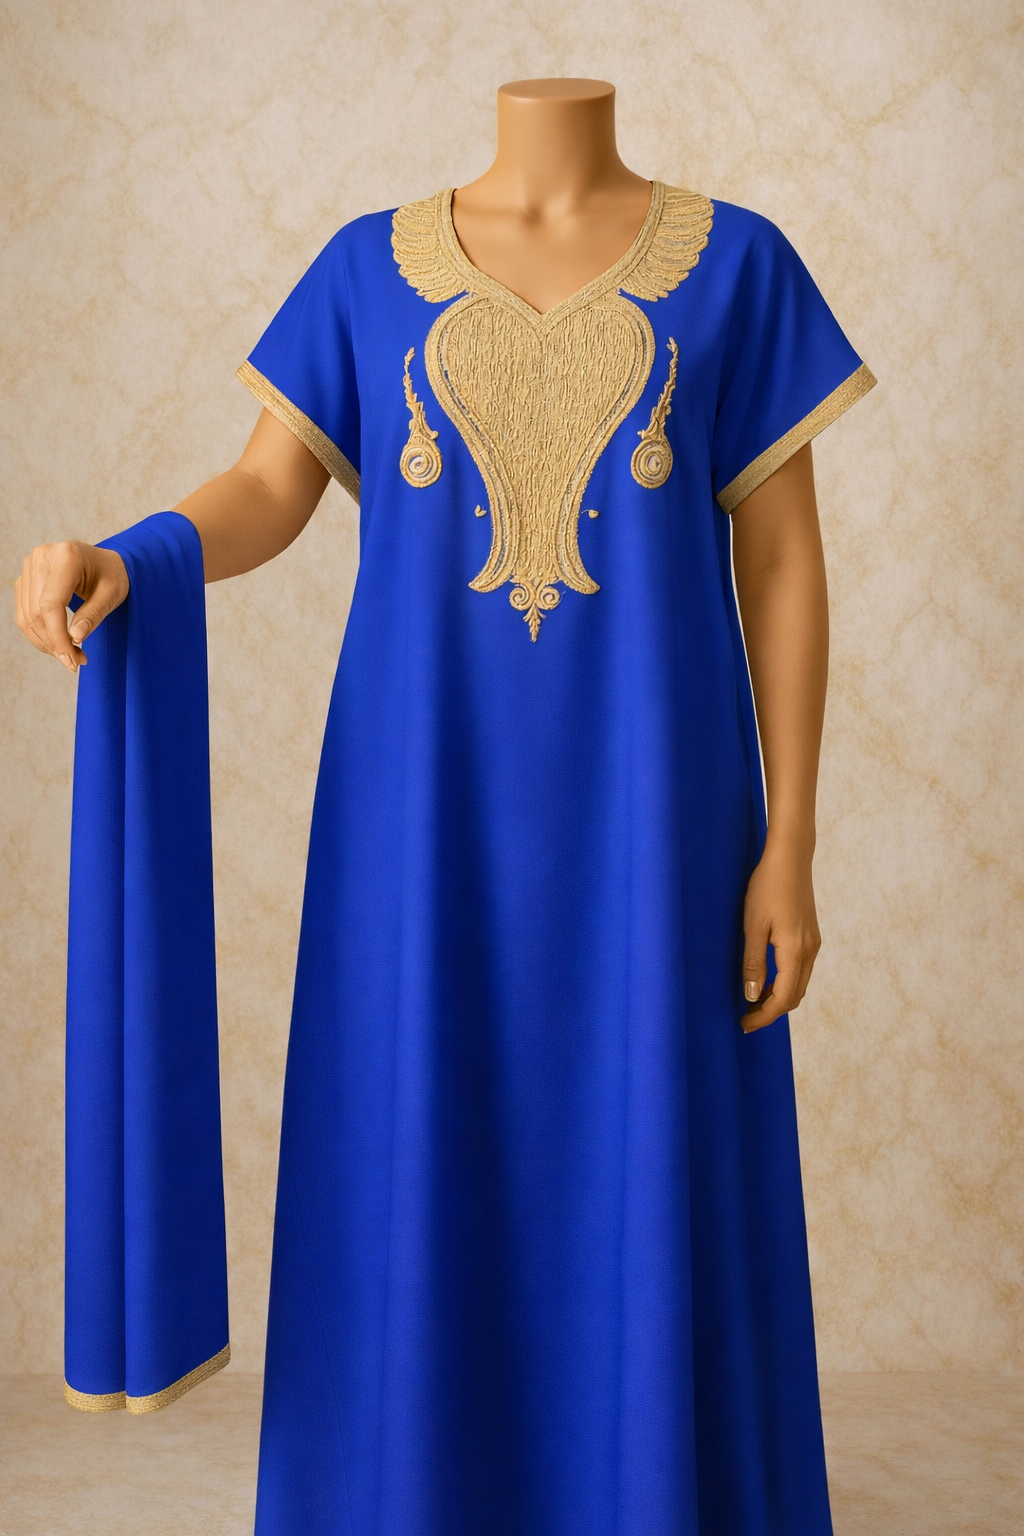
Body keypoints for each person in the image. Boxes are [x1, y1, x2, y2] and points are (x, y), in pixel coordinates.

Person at [15, 77, 874, 1536]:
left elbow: (783, 560)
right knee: (410, 1144)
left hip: (658, 829)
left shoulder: (740, 264)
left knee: (649, 1155)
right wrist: (133, 551)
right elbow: (268, 488)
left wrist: (790, 840)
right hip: (415, 825)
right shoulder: (368, 267)